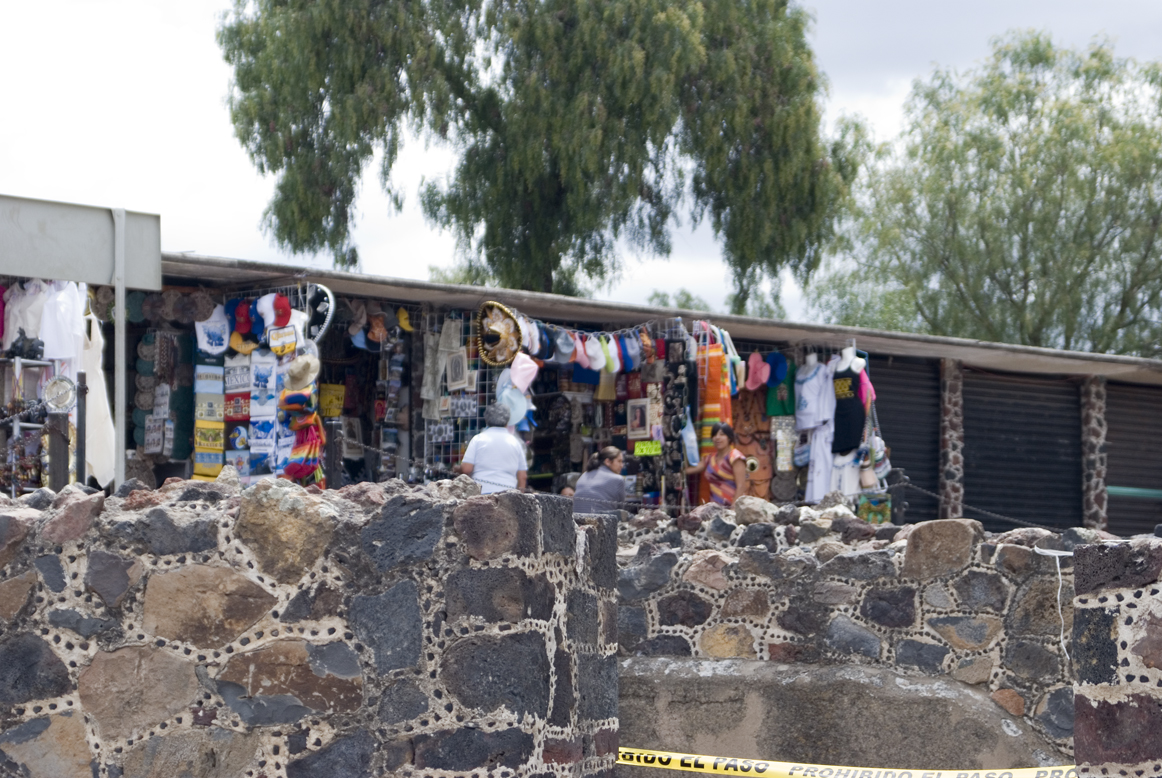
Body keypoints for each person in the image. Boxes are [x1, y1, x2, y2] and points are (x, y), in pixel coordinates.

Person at [460, 403, 527, 494]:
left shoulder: (478, 439)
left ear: (486, 420)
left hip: (481, 493)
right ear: (507, 422)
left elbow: (466, 469)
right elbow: (522, 476)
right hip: (509, 494)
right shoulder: (515, 443)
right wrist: (520, 495)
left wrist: (457, 469)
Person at [685, 422, 747, 506]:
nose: (717, 437)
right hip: (715, 507)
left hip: (732, 507)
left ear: (729, 438)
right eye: (714, 435)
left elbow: (741, 487)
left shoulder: (736, 457)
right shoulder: (710, 459)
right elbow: (688, 470)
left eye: (722, 434)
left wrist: (733, 510)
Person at [573, 446, 625, 515]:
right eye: (619, 461)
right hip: (602, 520)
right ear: (607, 462)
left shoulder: (584, 475)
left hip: (576, 520)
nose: (621, 465)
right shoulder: (618, 479)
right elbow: (621, 511)